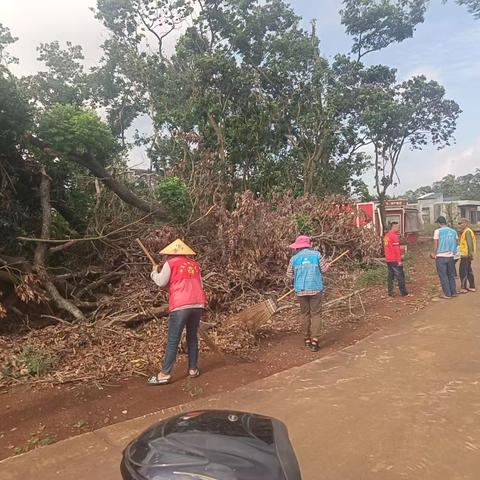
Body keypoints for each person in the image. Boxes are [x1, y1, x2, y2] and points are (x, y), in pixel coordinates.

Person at [147, 239, 207, 385]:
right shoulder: (195, 264)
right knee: (192, 337)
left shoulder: (171, 263)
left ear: (170, 254)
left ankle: (164, 374)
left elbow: (161, 282)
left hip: (180, 305)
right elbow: (199, 283)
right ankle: (193, 369)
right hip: (197, 303)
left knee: (174, 339)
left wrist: (154, 273)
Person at [287, 235, 329, 352]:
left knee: (305, 314)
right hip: (315, 288)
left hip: (300, 290)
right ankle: (315, 341)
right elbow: (324, 270)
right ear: (308, 245)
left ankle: (306, 339)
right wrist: (327, 266)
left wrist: (298, 276)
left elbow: (289, 275)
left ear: (298, 247)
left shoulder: (294, 259)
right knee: (316, 314)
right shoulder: (317, 255)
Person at [432, 216, 458, 299]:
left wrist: (434, 253)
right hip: (451, 256)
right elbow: (457, 242)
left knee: (443, 275)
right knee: (451, 275)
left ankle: (447, 294)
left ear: (439, 223)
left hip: (441, 256)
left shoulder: (437, 231)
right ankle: (453, 292)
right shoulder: (453, 231)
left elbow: (436, 243)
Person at [384, 222, 408, 297]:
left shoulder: (386, 236)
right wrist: (399, 260)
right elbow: (396, 249)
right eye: (398, 227)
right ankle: (404, 292)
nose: (399, 228)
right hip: (394, 259)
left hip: (388, 259)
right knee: (400, 276)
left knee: (390, 276)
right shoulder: (394, 236)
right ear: (393, 227)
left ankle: (390, 292)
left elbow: (387, 248)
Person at [458, 218, 476, 293]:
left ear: (466, 223)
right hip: (466, 255)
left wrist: (470, 255)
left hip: (466, 255)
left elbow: (470, 244)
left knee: (463, 271)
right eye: (459, 223)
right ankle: (472, 286)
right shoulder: (465, 231)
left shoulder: (467, 232)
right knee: (468, 271)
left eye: (461, 223)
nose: (460, 225)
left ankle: (464, 288)